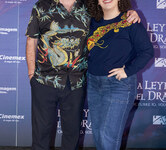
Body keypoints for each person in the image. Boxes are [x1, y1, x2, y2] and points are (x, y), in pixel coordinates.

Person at [25, 0, 140, 149]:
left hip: (76, 83)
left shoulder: (89, 7)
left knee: (71, 136)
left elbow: (111, 15)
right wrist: (31, 74)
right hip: (44, 81)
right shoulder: (42, 6)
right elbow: (31, 40)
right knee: (41, 135)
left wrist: (130, 13)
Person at [87, 0, 154, 150]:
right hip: (93, 84)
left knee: (108, 137)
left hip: (119, 86)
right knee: (98, 135)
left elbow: (147, 51)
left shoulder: (130, 21)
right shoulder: (91, 22)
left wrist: (127, 71)